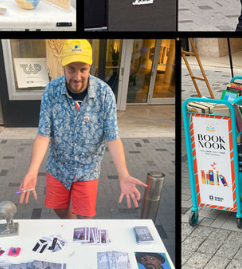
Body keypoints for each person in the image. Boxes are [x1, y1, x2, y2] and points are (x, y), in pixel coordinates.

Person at [18, 39, 147, 219]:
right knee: (59, 208)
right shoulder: (51, 91)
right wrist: (32, 171)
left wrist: (123, 175)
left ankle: (79, 233)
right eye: (71, 69)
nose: (77, 76)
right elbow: (43, 135)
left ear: (90, 67)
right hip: (58, 166)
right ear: (63, 66)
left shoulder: (104, 93)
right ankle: (73, 227)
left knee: (85, 216)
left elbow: (113, 138)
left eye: (83, 69)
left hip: (88, 168)